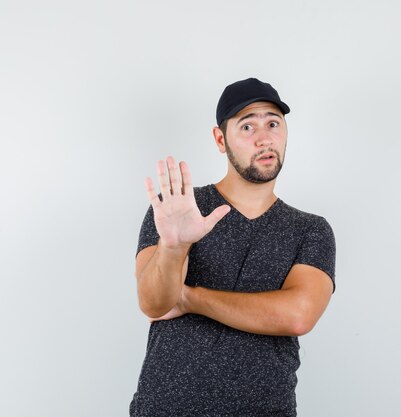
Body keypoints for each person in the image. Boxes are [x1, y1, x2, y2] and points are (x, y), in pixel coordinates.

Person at [130, 78, 336, 417]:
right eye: (246, 126)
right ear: (220, 139)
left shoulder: (310, 229)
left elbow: (298, 315)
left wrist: (188, 297)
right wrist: (175, 246)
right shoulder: (179, 207)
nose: (264, 137)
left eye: (273, 123)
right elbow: (153, 303)